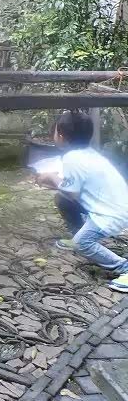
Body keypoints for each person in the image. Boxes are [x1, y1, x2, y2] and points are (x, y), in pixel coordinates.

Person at [36, 110, 128, 292]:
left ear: (61, 136)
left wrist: (51, 177)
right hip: (115, 206)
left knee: (82, 243)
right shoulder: (88, 153)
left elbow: (72, 193)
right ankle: (79, 233)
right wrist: (53, 181)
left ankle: (123, 267)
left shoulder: (72, 158)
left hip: (110, 214)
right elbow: (71, 189)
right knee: (62, 199)